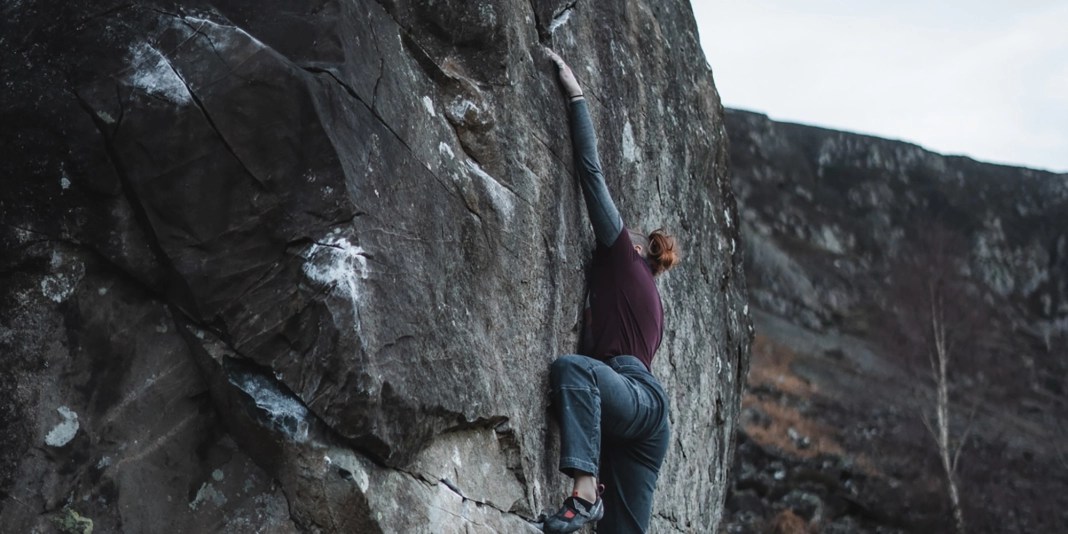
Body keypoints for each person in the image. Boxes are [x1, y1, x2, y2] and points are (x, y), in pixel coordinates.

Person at [542, 48, 680, 534]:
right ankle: (591, 495)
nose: (618, 231)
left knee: (571, 369)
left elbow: (591, 175)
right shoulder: (653, 304)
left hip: (631, 396)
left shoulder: (623, 254)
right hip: (645, 425)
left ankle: (583, 495)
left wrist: (576, 96)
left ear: (637, 247)